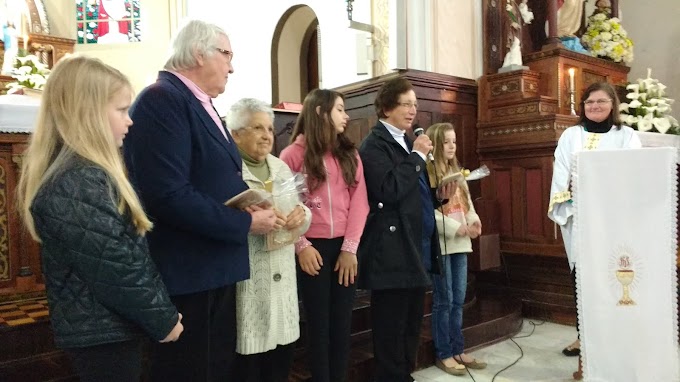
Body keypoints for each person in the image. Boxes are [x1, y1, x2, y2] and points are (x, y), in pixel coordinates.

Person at [122, 20, 277, 381]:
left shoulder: (194, 101)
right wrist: (245, 222)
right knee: (189, 370)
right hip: (189, 270)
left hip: (212, 266)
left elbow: (210, 179)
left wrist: (247, 206)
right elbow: (166, 193)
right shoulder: (162, 99)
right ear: (197, 53)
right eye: (226, 55)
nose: (232, 66)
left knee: (215, 367)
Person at [16, 55, 183, 382]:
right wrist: (163, 319)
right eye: (122, 110)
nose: (130, 120)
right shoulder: (77, 182)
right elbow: (116, 266)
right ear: (87, 114)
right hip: (103, 334)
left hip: (109, 326)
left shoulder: (84, 176)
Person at [357, 77, 452, 382]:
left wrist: (435, 198)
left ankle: (404, 375)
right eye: (406, 104)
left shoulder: (407, 141)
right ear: (386, 108)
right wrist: (417, 157)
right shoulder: (375, 144)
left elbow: (411, 192)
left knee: (411, 323)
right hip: (392, 251)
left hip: (415, 245)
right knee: (390, 326)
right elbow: (388, 190)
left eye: (415, 104)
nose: (413, 110)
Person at [279, 88, 369, 382]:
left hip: (344, 248)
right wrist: (301, 245)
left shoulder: (349, 154)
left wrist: (350, 248)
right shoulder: (292, 155)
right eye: (340, 109)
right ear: (320, 112)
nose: (346, 115)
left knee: (341, 326)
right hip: (311, 250)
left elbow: (360, 202)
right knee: (318, 327)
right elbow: (285, 205)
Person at [548, 81, 641, 358]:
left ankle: (616, 338)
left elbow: (632, 173)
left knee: (614, 278)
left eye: (601, 101)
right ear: (583, 106)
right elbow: (561, 174)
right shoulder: (570, 136)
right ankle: (583, 337)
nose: (595, 106)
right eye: (589, 102)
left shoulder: (626, 136)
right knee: (582, 279)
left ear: (613, 104)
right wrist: (571, 198)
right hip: (580, 221)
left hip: (615, 221)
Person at [227, 98, 312, 382]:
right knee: (250, 366)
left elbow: (299, 209)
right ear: (236, 133)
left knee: (280, 364)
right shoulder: (230, 170)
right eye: (257, 128)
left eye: (270, 129)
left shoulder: (280, 167)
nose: (267, 135)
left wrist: (303, 215)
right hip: (250, 285)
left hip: (284, 282)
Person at [425, 122, 487, 376]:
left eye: (454, 141)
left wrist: (474, 220)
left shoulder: (457, 172)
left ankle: (458, 349)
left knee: (458, 299)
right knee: (444, 300)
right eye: (447, 142)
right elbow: (428, 211)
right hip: (442, 243)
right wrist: (454, 228)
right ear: (437, 145)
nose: (452, 146)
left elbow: (467, 203)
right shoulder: (428, 172)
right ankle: (444, 353)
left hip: (461, 243)